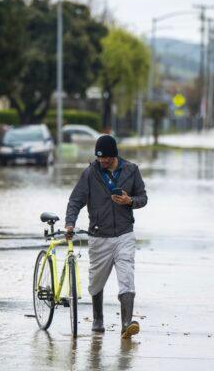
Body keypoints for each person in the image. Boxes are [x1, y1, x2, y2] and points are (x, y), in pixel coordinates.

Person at [65, 135, 147, 338]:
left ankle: (126, 323)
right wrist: (70, 223)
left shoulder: (131, 170)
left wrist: (130, 201)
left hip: (124, 234)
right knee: (96, 281)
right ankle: (98, 318)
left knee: (127, 276)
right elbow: (75, 200)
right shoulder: (90, 173)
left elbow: (143, 198)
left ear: (115, 155)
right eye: (99, 158)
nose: (102, 162)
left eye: (106, 158)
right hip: (99, 235)